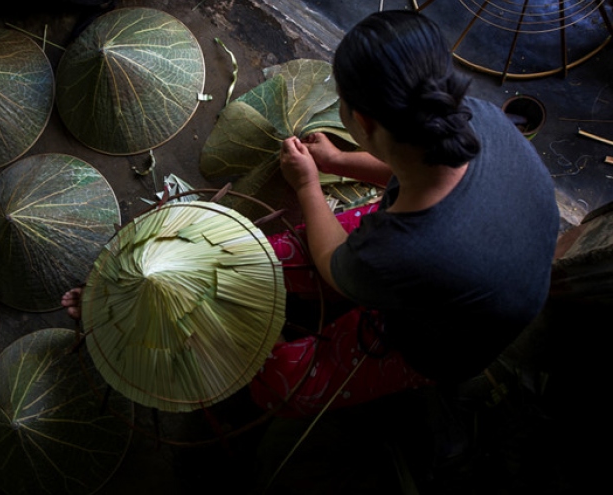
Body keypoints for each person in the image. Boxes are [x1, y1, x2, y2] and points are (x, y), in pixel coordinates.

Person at [64, 9, 559, 418]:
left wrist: (307, 185)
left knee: (278, 384)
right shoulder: (475, 118)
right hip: (478, 264)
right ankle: (134, 294)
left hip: (438, 342)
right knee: (257, 255)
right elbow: (405, 167)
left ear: (362, 121)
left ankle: (170, 325)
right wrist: (338, 161)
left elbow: (334, 266)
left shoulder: (401, 249)